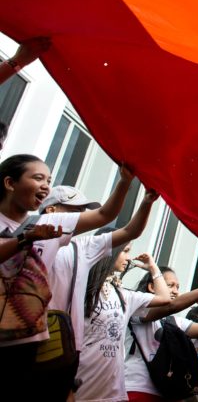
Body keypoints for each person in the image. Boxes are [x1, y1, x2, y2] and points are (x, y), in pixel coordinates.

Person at [0, 154, 134, 396]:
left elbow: (104, 216)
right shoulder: (34, 228)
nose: (45, 185)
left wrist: (124, 181)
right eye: (38, 178)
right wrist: (25, 239)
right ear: (10, 183)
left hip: (32, 341)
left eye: (48, 180)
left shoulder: (48, 222)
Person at [40, 173, 158, 400]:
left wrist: (143, 199)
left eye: (82, 212)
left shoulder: (83, 247)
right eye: (73, 211)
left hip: (62, 349)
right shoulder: (25, 236)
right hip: (25, 340)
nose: (81, 218)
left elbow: (128, 230)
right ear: (51, 212)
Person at [76, 244, 172, 402]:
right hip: (81, 382)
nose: (128, 258)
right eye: (125, 251)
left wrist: (153, 268)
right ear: (107, 251)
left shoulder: (124, 296)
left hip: (113, 390)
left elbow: (165, 298)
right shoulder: (80, 287)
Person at [125, 269, 198, 402]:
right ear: (152, 287)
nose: (176, 291)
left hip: (166, 393)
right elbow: (171, 306)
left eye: (178, 287)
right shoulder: (137, 311)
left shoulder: (171, 322)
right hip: (137, 389)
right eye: (170, 285)